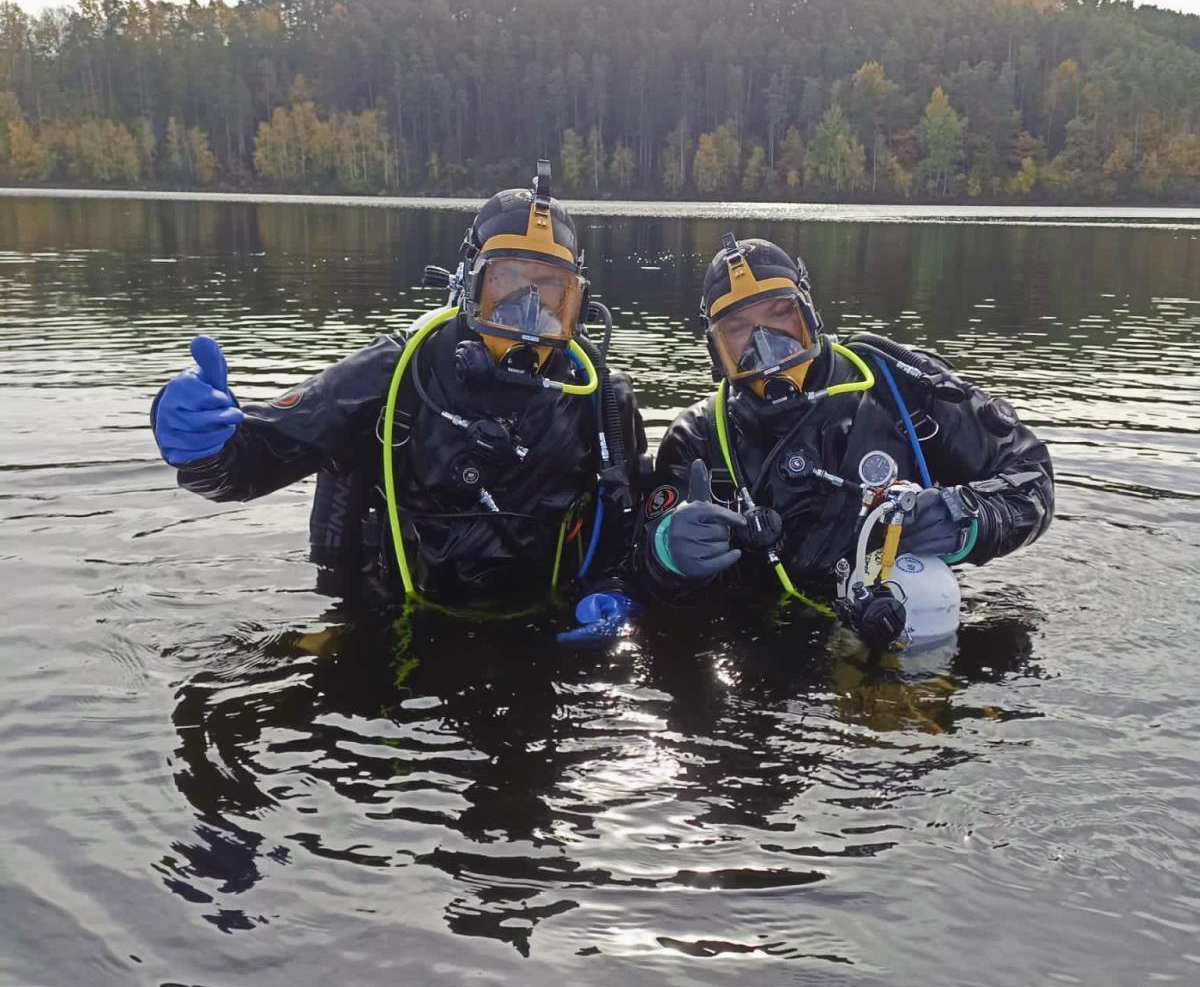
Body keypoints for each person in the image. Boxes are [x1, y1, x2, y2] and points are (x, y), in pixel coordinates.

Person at [151, 164, 646, 616]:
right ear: (470, 285)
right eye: (509, 284)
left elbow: (626, 527)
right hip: (392, 618)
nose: (527, 308)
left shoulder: (598, 400)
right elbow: (249, 466)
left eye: (549, 292)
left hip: (539, 622)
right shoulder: (397, 372)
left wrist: (615, 592)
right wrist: (206, 446)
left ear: (576, 304)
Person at [635, 233, 1053, 641]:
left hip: (901, 610)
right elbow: (634, 565)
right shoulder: (698, 438)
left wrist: (966, 517)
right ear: (716, 351)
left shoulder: (899, 387)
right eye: (739, 328)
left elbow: (1029, 474)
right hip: (766, 635)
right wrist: (666, 552)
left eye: (780, 314)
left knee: (932, 594)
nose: (765, 342)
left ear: (809, 315)